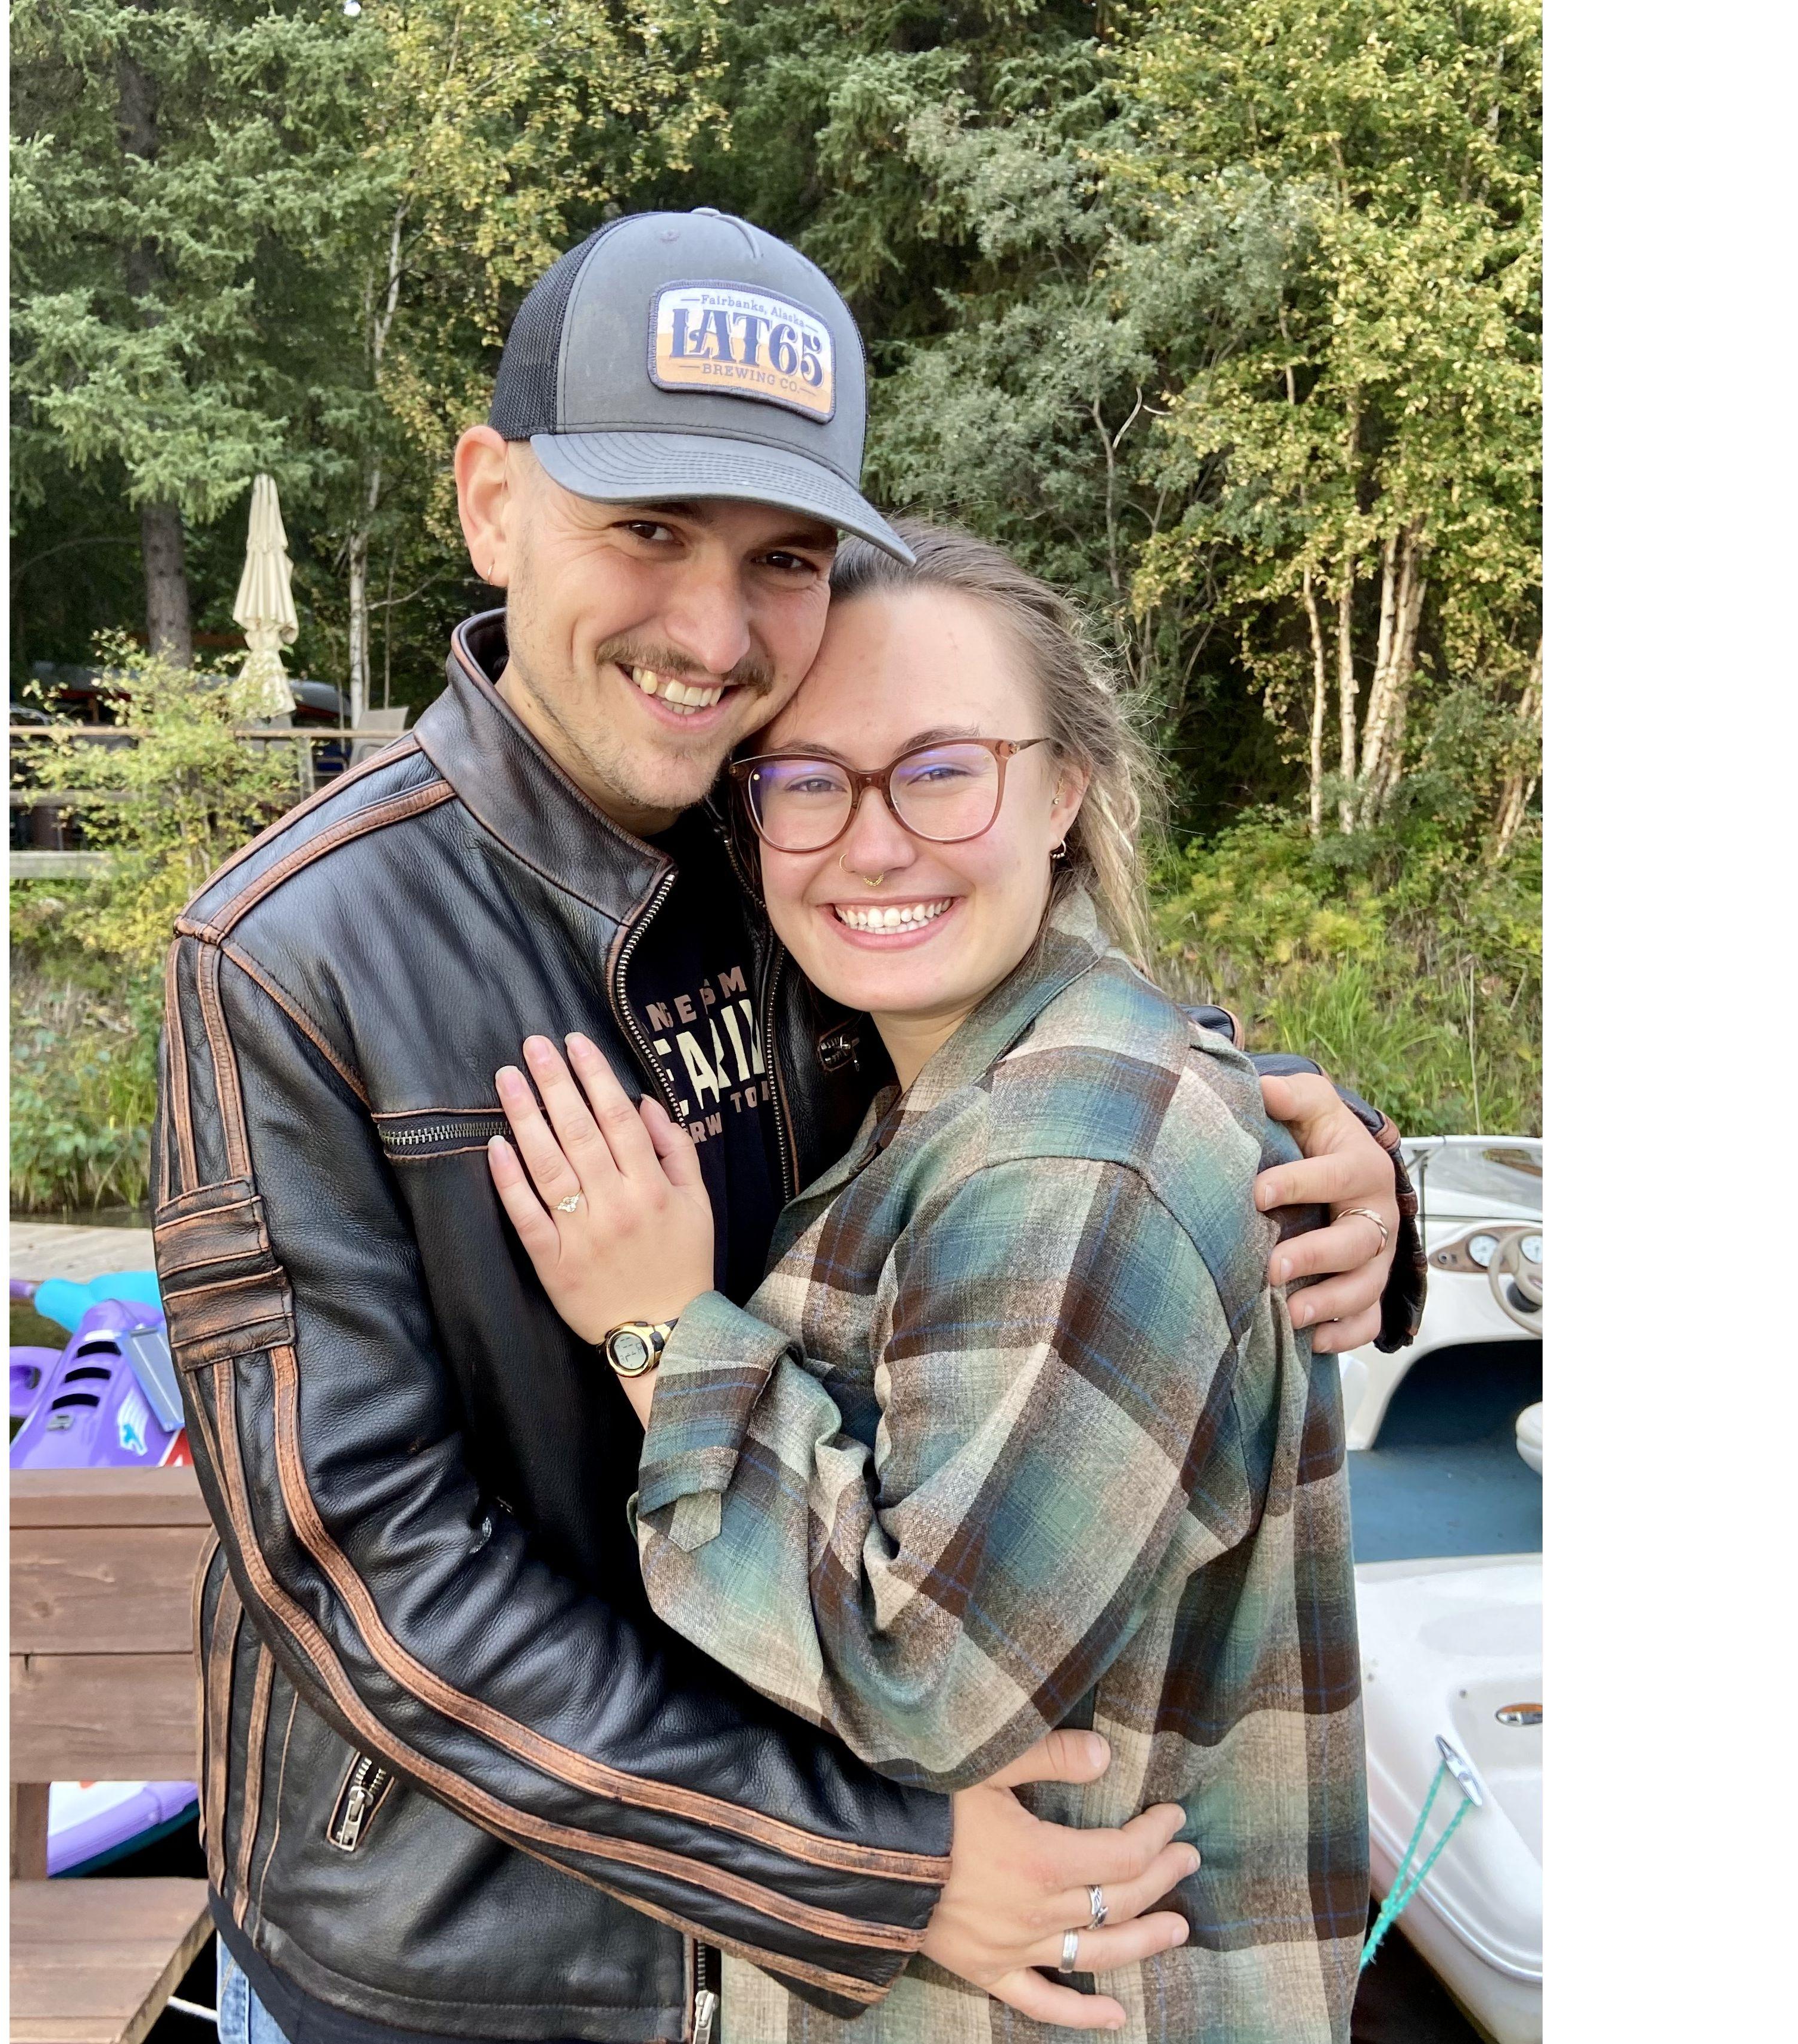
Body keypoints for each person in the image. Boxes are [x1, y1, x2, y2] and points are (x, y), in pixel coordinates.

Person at [156, 210, 1420, 2044]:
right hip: (473, 1963)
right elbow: (363, 1572)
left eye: (784, 556)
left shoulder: (798, 844)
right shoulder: (293, 954)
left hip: (794, 1977)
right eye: (646, 531)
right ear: (492, 500)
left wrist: (1328, 1166)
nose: (714, 629)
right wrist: (864, 1865)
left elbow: (1052, 1057)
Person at [486, 521, 1368, 2042]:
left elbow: (926, 1681)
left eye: (942, 768)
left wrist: (657, 1329)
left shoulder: (1076, 1161)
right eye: (809, 781)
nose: (873, 841)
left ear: (1062, 791)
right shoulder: (965, 1075)